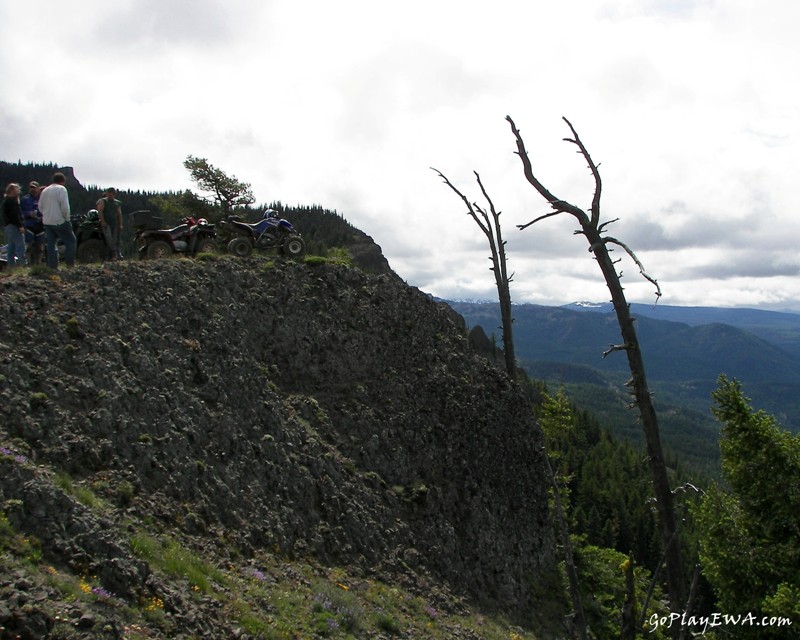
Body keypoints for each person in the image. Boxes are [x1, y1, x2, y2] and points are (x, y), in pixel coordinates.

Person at [38, 172, 76, 269]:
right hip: (60, 221)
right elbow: (65, 206)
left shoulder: (45, 190)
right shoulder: (61, 189)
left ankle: (52, 266)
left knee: (51, 244)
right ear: (63, 181)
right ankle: (69, 264)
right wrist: (67, 218)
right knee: (71, 241)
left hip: (47, 221)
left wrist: (45, 215)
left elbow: (40, 207)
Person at [2, 183, 26, 268]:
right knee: (20, 246)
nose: (18, 191)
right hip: (14, 226)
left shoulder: (6, 201)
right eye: (17, 189)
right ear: (11, 190)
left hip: (8, 226)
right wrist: (20, 225)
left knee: (11, 248)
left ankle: (11, 266)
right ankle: (22, 265)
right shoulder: (12, 201)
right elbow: (14, 215)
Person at [20, 180, 44, 264]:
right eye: (31, 188)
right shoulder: (24, 199)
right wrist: (28, 214)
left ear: (38, 188)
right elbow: (20, 212)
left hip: (40, 226)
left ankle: (39, 263)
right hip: (29, 225)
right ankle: (28, 263)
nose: (32, 189)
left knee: (40, 247)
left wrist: (42, 217)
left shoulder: (42, 198)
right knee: (28, 247)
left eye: (34, 187)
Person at [96, 187, 123, 260]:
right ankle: (113, 254)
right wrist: (103, 221)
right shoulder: (103, 201)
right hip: (107, 222)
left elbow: (119, 214)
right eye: (109, 194)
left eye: (112, 194)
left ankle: (113, 255)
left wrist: (120, 224)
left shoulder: (117, 203)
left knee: (114, 239)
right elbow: (100, 211)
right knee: (109, 239)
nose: (110, 195)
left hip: (114, 223)